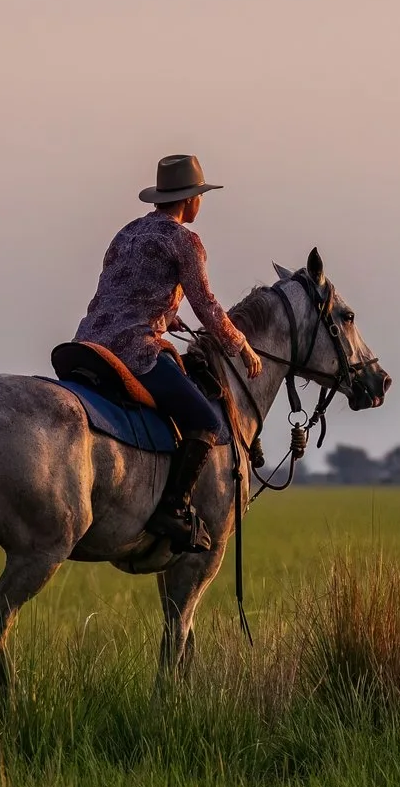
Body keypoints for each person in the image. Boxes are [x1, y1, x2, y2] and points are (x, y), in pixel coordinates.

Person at [73, 154, 263, 551]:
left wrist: (166, 316)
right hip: (134, 351)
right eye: (200, 196)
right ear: (190, 199)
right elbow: (207, 306)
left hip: (88, 343)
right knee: (207, 422)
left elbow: (121, 294)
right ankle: (173, 509)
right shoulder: (185, 240)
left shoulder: (126, 233)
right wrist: (240, 345)